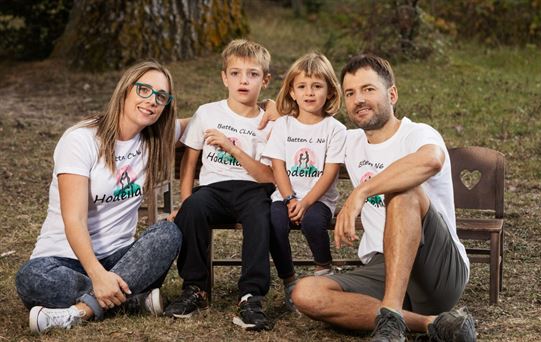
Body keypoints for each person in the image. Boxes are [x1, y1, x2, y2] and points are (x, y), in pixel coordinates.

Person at [291, 54, 477, 342]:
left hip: (436, 268)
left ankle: (390, 317)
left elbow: (431, 161)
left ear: (392, 94)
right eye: (350, 93)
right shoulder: (349, 140)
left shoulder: (417, 134)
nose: (358, 100)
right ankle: (432, 324)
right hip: (383, 266)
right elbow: (295, 122)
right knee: (305, 292)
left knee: (403, 193)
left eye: (368, 89)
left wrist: (361, 192)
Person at [15, 61, 184, 334]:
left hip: (121, 257)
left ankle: (78, 312)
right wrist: (97, 275)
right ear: (125, 91)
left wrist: (270, 110)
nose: (151, 101)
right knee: (30, 279)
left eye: (161, 96)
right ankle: (130, 299)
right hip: (64, 259)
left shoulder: (156, 138)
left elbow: (208, 121)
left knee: (168, 234)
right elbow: (74, 219)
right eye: (144, 90)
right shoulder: (81, 140)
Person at [163, 39, 276, 332]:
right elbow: (190, 162)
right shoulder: (208, 112)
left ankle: (251, 295)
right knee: (195, 210)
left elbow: (268, 176)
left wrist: (233, 149)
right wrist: (185, 201)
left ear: (265, 81)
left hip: (253, 189)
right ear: (224, 77)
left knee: (261, 216)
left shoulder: (269, 122)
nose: (243, 80)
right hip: (213, 189)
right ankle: (195, 289)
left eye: (252, 74)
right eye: (235, 73)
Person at [261, 53, 346, 310]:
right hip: (285, 196)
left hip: (318, 198)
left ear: (330, 92)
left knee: (312, 221)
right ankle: (289, 281)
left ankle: (323, 269)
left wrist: (306, 202)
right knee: (274, 222)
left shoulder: (335, 129)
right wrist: (289, 199)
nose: (309, 93)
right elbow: (278, 166)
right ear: (292, 92)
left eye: (317, 86)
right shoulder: (284, 125)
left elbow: (330, 172)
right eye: (302, 86)